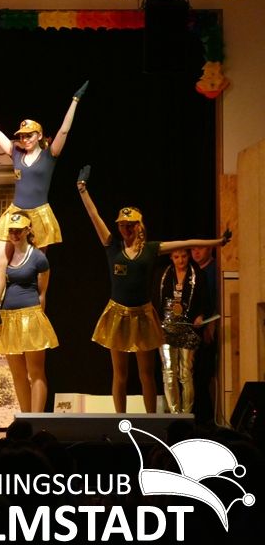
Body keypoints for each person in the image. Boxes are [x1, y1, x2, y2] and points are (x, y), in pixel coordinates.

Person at [76, 165, 231, 413]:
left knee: (146, 374)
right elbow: (95, 216)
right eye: (122, 225)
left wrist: (218, 242)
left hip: (143, 315)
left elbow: (187, 242)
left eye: (129, 225)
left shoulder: (151, 249)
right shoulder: (112, 245)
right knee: (120, 375)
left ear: (139, 226)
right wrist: (82, 189)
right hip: (117, 314)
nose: (125, 229)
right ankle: (120, 420)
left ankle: (150, 421)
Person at [0, 81, 88, 331]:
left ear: (39, 135)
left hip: (39, 216)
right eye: (21, 136)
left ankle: (38, 317)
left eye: (29, 135)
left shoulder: (50, 155)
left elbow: (64, 131)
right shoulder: (15, 154)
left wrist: (75, 101)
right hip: (15, 213)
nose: (24, 139)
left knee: (36, 271)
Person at [0, 211, 58, 413]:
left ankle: (37, 420)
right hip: (9, 319)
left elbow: (42, 293)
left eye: (18, 230)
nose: (14, 234)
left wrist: (40, 321)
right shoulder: (6, 255)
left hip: (31, 317)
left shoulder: (38, 257)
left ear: (28, 230)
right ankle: (26, 419)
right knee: (18, 374)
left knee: (35, 372)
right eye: (11, 230)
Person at [153, 248, 209, 414]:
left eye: (184, 256)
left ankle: (186, 414)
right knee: (169, 372)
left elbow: (205, 300)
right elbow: (155, 300)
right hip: (166, 328)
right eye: (176, 257)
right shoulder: (162, 275)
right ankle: (174, 414)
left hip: (188, 327)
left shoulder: (198, 275)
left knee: (185, 373)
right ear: (171, 257)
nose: (181, 260)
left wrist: (201, 315)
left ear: (188, 256)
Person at [190, 245, 220, 424]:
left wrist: (211, 324)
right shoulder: (193, 271)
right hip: (195, 330)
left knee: (203, 377)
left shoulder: (214, 270)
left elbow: (217, 300)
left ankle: (207, 421)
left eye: (201, 248)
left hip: (209, 327)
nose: (196, 252)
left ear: (210, 249)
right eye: (193, 249)